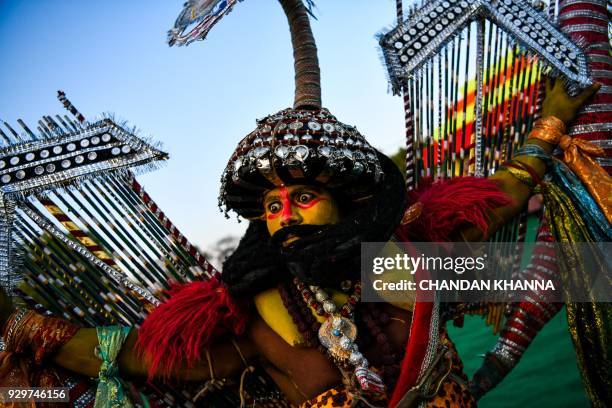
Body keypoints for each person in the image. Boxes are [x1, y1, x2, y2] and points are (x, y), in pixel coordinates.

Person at [0, 0, 601, 406]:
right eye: (271, 206)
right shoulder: (254, 318)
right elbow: (143, 360)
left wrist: (553, 120)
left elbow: (509, 203)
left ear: (344, 200)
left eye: (303, 197)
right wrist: (29, 330)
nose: (284, 214)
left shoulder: (407, 258)